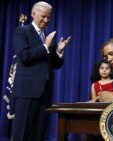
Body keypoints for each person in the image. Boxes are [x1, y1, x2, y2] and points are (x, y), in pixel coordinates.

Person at [12, 1, 71, 141]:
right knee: (23, 134)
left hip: (44, 93)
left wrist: (59, 51)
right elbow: (24, 56)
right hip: (27, 92)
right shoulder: (22, 31)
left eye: (49, 17)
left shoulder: (48, 37)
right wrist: (45, 46)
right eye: (43, 16)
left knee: (39, 134)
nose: (46, 20)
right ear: (33, 14)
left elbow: (55, 64)